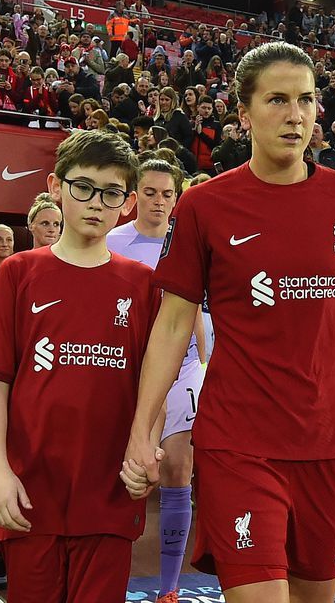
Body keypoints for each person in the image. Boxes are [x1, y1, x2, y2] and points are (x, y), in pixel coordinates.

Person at [122, 42, 335, 603]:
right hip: (239, 441)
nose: (296, 115)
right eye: (278, 100)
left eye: (306, 100)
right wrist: (144, 429)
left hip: (327, 440)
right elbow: (172, 325)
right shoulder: (203, 207)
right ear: (243, 112)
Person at [0, 129, 159, 602]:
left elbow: (155, 385)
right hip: (32, 491)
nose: (96, 202)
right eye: (83, 187)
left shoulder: (143, 285)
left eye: (111, 192)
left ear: (127, 202)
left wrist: (148, 447)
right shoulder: (18, 273)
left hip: (109, 494)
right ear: (55, 187)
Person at [105, 157, 205, 602]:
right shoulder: (113, 242)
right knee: (120, 474)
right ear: (134, 196)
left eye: (167, 194)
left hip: (182, 370)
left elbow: (202, 312)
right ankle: (109, 577)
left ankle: (169, 588)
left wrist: (206, 361)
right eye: (150, 192)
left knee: (178, 469)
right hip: (124, 372)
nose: (159, 201)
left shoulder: (191, 243)